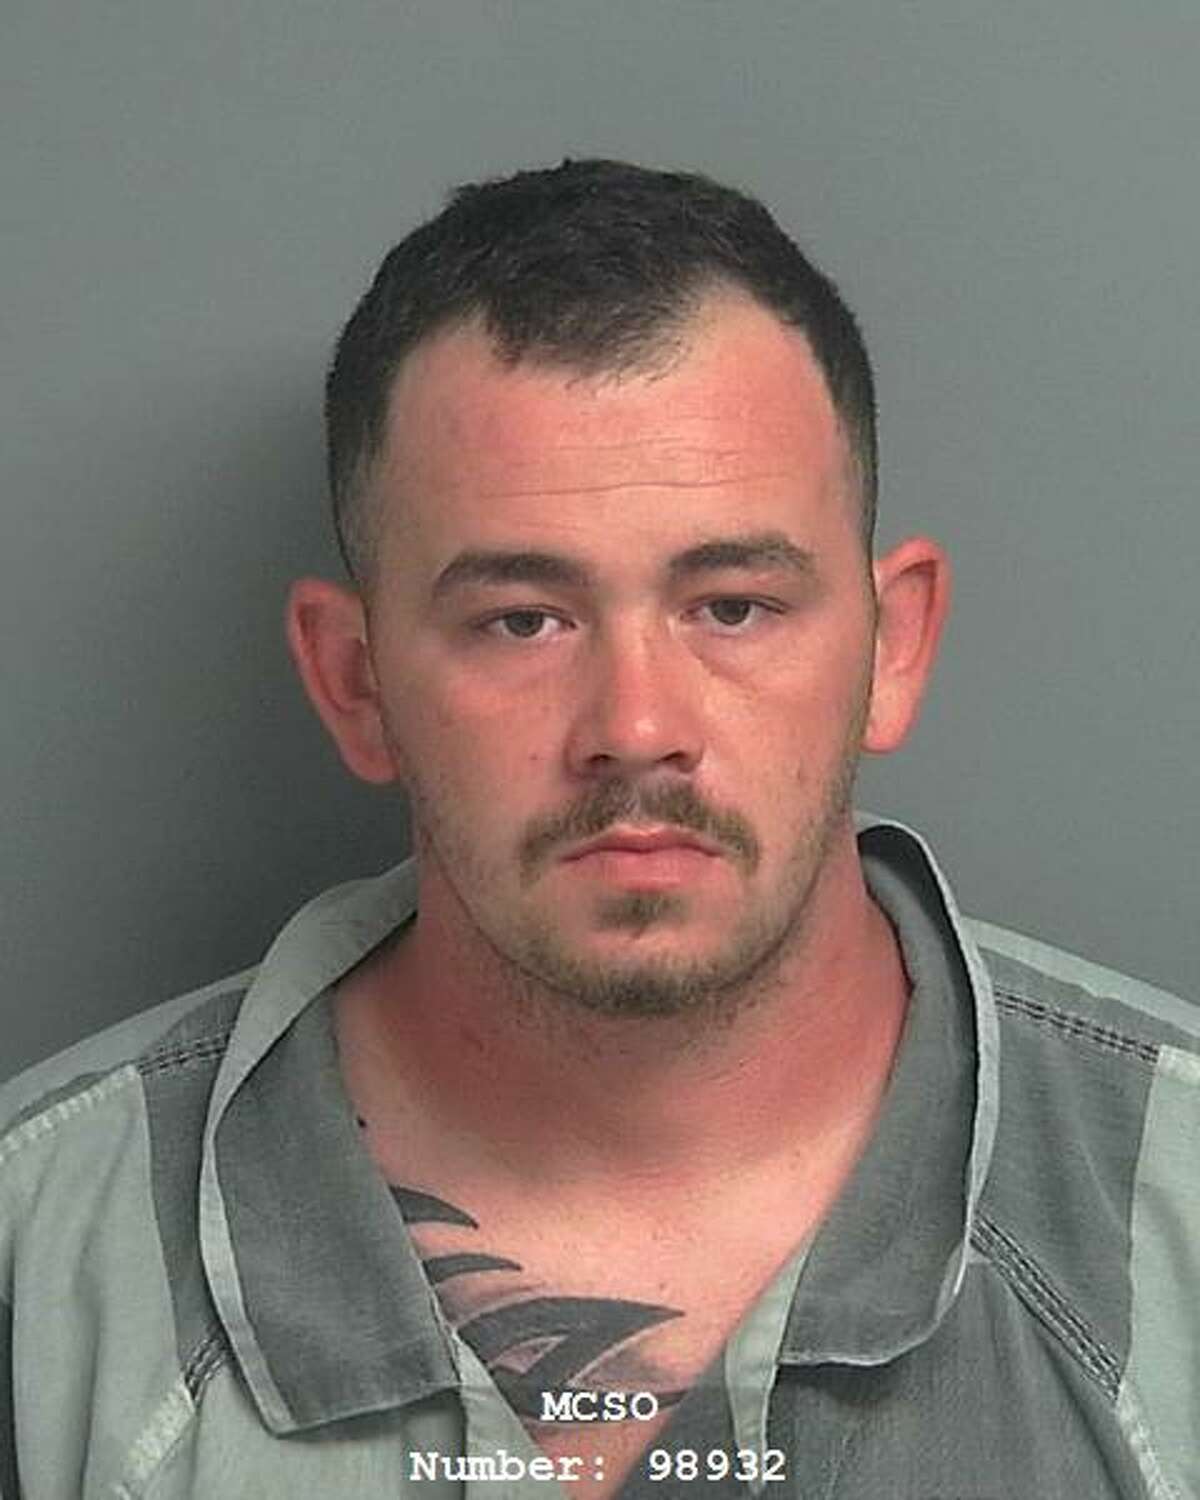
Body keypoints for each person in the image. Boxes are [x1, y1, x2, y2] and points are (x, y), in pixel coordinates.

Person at [1, 159, 1196, 1500]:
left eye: (733, 606)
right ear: (355, 681)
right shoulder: (39, 1270)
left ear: (894, 647)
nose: (635, 727)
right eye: (523, 620)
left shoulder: (1181, 1225)